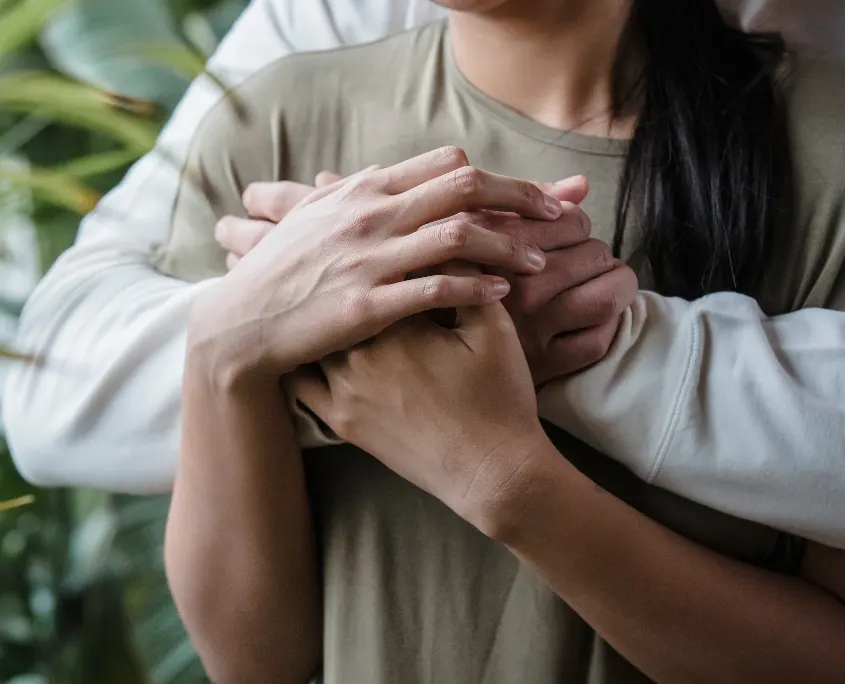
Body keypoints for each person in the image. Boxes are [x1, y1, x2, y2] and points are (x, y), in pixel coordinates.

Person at [161, 0, 845, 682]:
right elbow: (254, 665)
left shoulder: (822, 147)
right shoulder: (276, 124)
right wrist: (221, 349)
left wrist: (506, 483)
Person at [5, 0, 845, 549]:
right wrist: (277, 327)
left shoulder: (812, 130)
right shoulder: (292, 86)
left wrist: (562, 342)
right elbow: (53, 392)